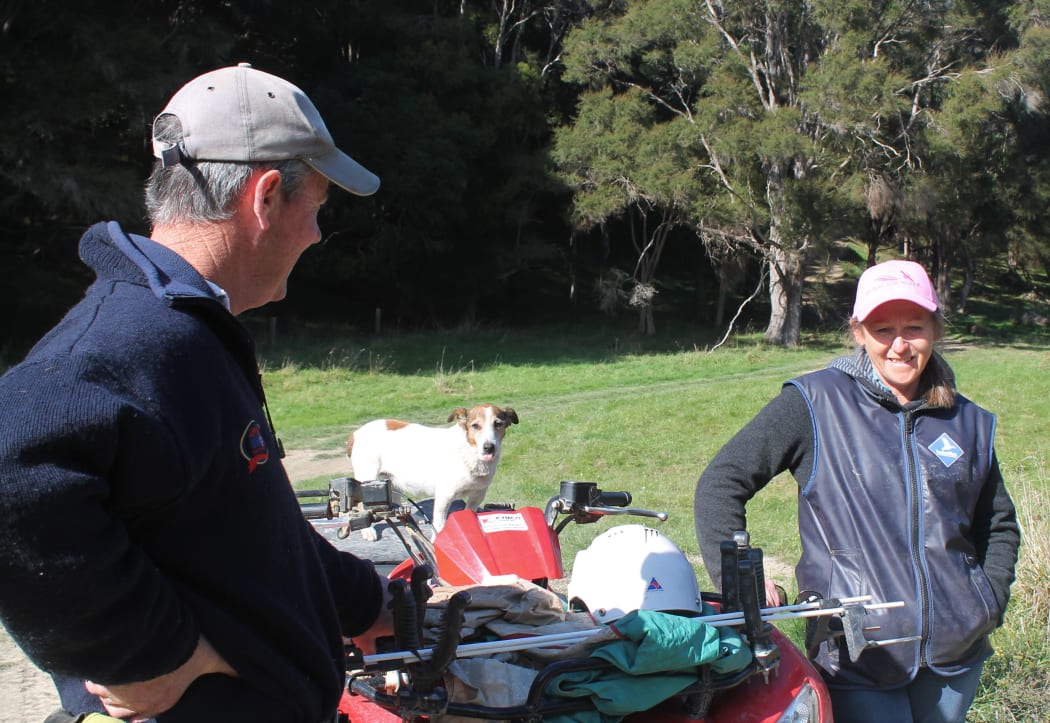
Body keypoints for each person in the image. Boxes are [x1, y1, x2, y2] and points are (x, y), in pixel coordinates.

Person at [0, 63, 394, 722]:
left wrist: (367, 600)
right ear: (265, 199)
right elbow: (11, 471)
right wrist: (152, 651)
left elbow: (240, 531)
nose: (318, 234)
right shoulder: (136, 340)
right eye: (317, 207)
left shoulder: (191, 329)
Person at [693, 259, 1020, 723]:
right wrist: (739, 583)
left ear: (936, 328)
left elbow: (998, 523)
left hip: (955, 657)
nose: (900, 345)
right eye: (883, 328)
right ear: (859, 331)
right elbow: (721, 484)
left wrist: (987, 601)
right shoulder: (815, 402)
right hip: (856, 653)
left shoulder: (969, 421)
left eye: (914, 327)